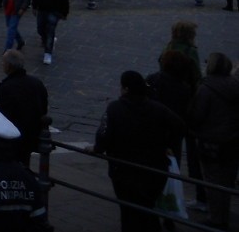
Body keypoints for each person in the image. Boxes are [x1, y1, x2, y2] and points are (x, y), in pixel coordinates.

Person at [93, 70, 184, 232]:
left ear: (126, 89)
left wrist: (98, 149)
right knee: (147, 207)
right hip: (154, 169)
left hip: (123, 168)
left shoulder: (114, 108)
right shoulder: (158, 109)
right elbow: (179, 126)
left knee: (128, 211)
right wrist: (166, 144)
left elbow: (103, 135)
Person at [186, 52, 239, 231]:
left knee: (212, 182)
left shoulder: (206, 88)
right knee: (227, 181)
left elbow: (197, 115)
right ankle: (224, 214)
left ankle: (216, 219)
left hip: (211, 142)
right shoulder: (236, 85)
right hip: (232, 141)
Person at [0, 50, 48, 168]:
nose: (2, 64)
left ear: (9, 66)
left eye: (3, 62)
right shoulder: (36, 83)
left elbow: (3, 116)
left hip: (13, 138)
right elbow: (43, 108)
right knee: (24, 166)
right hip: (31, 136)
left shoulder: (7, 87)